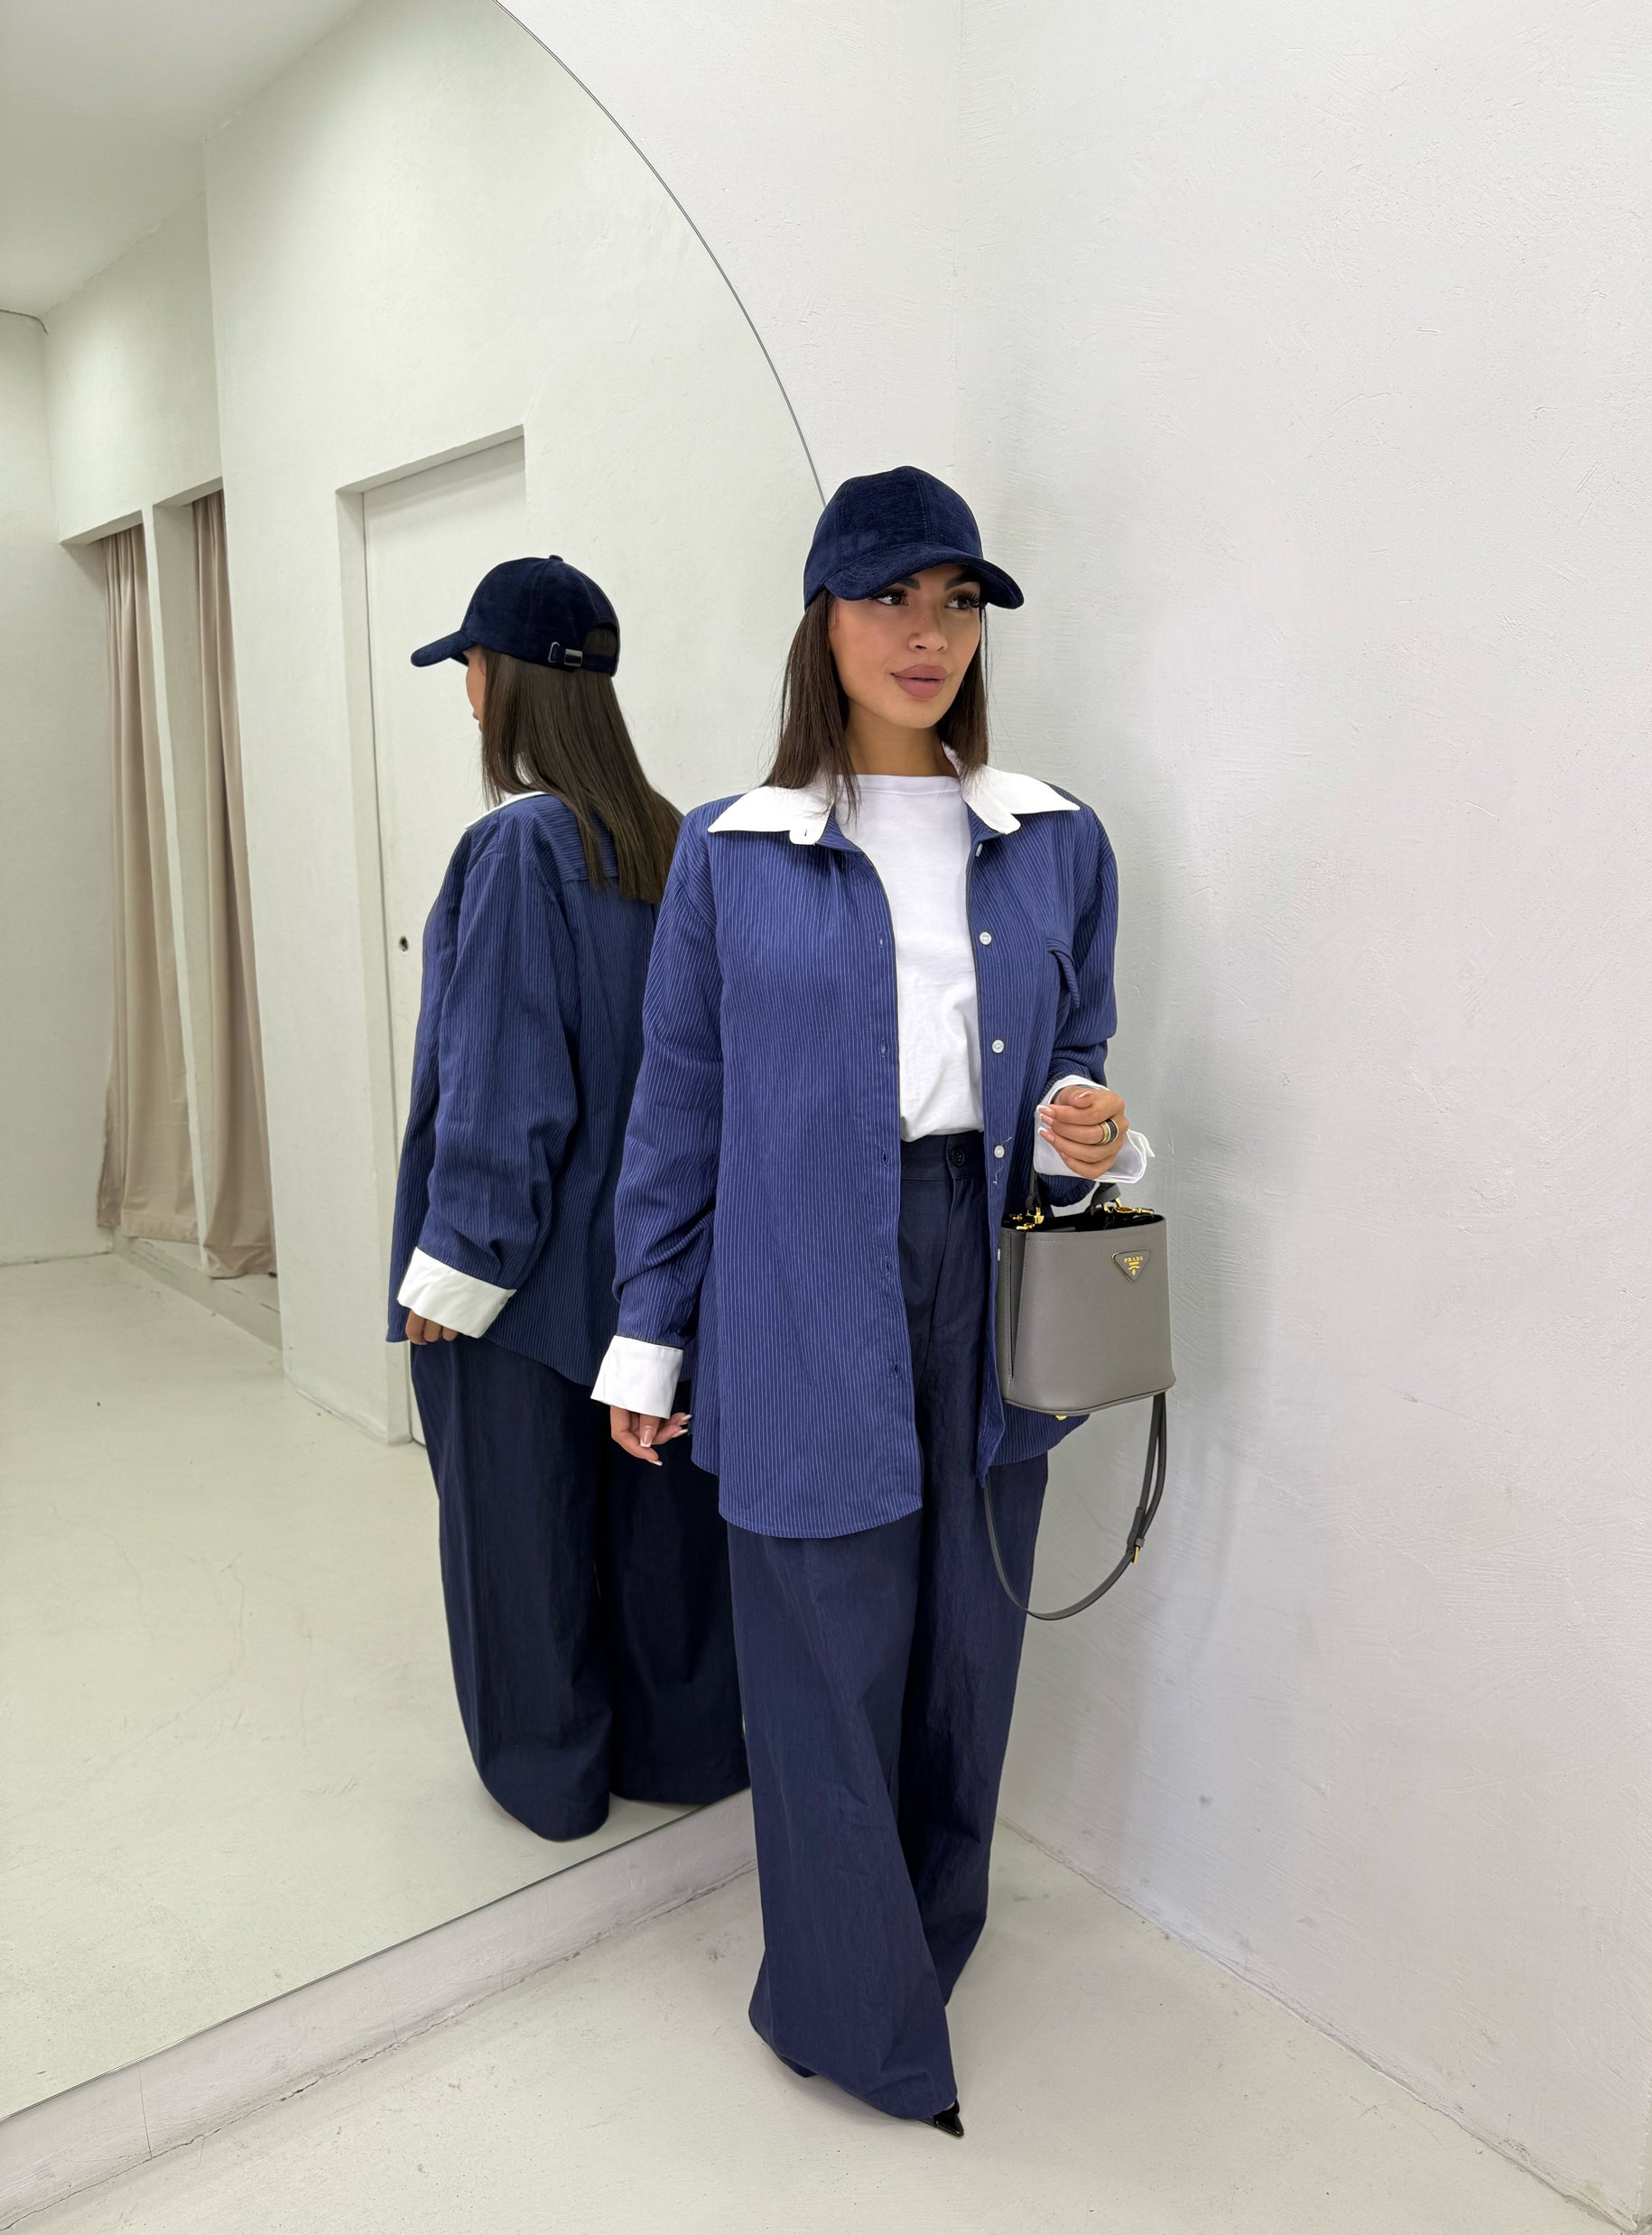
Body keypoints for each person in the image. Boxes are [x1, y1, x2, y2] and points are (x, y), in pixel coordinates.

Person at [591, 471, 1150, 2130]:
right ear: (820, 621)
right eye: (889, 598)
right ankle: (852, 2015)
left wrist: (1092, 1129)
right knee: (821, 1641)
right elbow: (677, 1104)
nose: (928, 634)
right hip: (795, 1272)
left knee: (971, 1634)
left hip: (990, 1260)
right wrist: (649, 1331)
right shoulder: (731, 852)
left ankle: (927, 1932)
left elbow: (1078, 1058)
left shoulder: (1053, 838)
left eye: (956, 601)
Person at [387, 555, 747, 1842]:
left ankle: (548, 1778)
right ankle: (685, 1751)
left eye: (468, 668)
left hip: (526, 1277)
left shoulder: (518, 847)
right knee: (660, 1530)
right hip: (656, 1273)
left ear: (494, 680)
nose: (466, 691)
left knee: (519, 1541)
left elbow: (504, 1087)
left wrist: (452, 1276)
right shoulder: (677, 839)